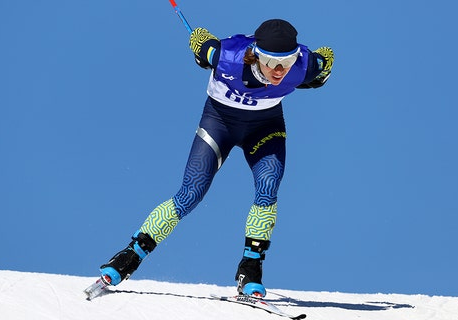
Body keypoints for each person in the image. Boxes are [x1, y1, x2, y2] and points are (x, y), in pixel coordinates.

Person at [97, 19, 334, 297]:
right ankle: (129, 257)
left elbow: (325, 60)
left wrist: (321, 69)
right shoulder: (227, 57)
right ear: (256, 53)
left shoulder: (304, 65)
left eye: (288, 60)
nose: (280, 70)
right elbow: (205, 48)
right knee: (190, 194)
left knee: (268, 187)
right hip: (219, 123)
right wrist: (200, 43)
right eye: (271, 61)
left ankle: (251, 268)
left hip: (265, 126)